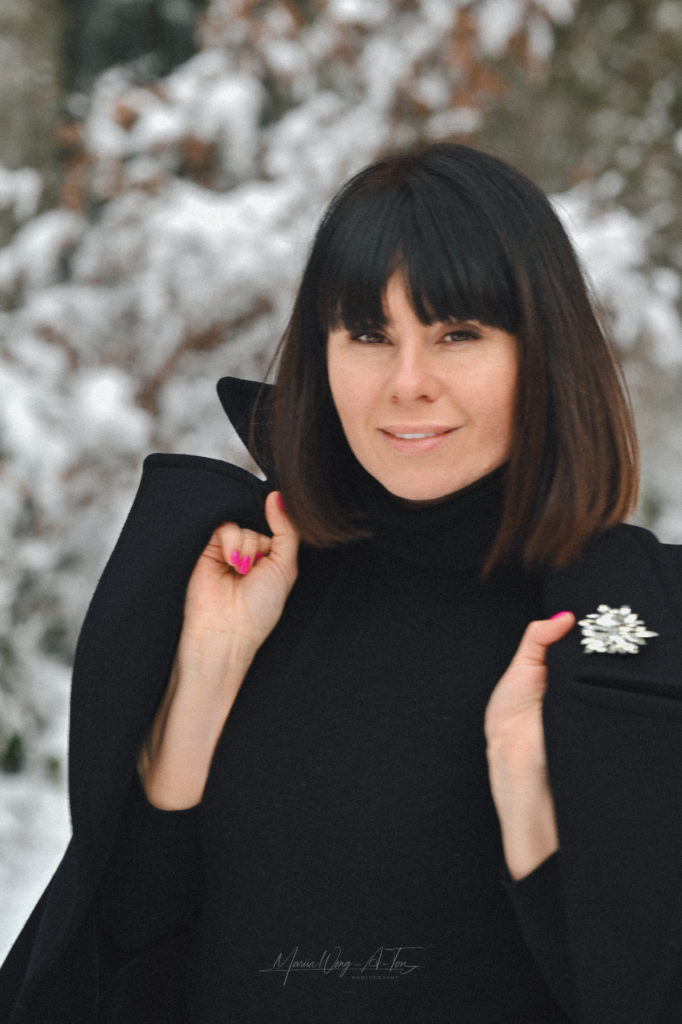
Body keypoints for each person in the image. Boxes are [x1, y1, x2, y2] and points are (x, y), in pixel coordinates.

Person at [1, 142, 681, 1024]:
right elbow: (124, 949)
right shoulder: (246, 578)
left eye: (457, 334)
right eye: (367, 335)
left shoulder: (639, 632)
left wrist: (537, 824)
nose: (407, 385)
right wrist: (206, 674)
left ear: (542, 351)